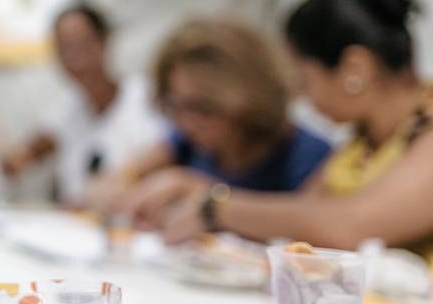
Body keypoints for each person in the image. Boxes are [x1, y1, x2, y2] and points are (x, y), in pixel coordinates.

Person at [131, 0, 433, 261]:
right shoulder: (361, 144)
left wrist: (214, 204)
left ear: (355, 68)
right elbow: (302, 217)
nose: (302, 97)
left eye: (304, 81)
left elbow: (350, 227)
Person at [97, 18, 332, 214]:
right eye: (176, 105)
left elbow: (309, 227)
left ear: (251, 99)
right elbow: (112, 182)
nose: (188, 122)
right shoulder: (184, 142)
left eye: (204, 109)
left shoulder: (305, 155)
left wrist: (200, 194)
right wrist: (124, 194)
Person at [0, 3, 166, 205]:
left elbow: (170, 153)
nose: (74, 59)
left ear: (104, 41)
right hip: (76, 228)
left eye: (81, 45)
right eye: (63, 49)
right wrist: (13, 161)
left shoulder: (149, 98)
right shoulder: (64, 111)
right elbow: (27, 153)